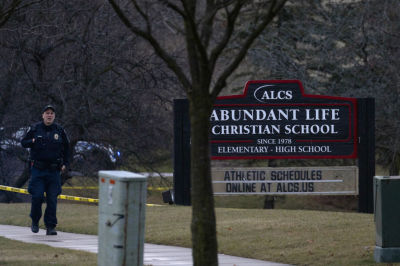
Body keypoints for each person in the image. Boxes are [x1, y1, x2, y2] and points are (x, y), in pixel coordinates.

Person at [21, 105, 70, 235]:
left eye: (52, 113)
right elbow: (23, 142)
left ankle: (50, 226)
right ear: (43, 115)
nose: (49, 115)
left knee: (52, 199)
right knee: (37, 196)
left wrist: (66, 163)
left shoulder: (59, 130)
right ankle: (35, 221)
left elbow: (67, 149)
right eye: (47, 113)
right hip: (38, 170)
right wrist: (32, 140)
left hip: (54, 171)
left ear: (54, 116)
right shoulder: (35, 129)